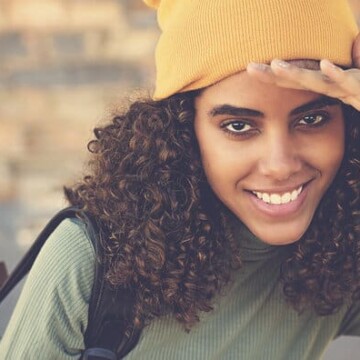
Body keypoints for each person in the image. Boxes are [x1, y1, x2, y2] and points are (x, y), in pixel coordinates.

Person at [1, 0, 359, 358]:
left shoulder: (338, 251)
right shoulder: (91, 261)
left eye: (311, 119)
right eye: (238, 126)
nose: (279, 165)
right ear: (183, 131)